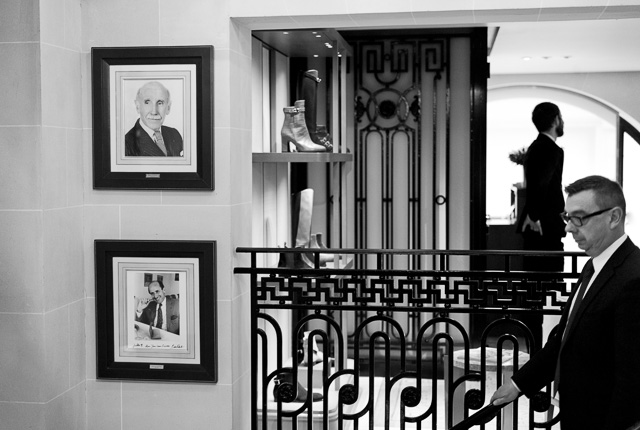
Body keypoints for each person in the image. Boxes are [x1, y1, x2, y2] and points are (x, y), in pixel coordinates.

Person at [491, 175, 640, 430]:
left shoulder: (633, 277)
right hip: (577, 412)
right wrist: (518, 384)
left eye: (579, 218)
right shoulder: (595, 265)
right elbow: (565, 339)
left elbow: (633, 377)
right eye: (567, 217)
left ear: (614, 217)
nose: (569, 228)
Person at [515, 102, 566, 349]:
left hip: (541, 226)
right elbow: (543, 185)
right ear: (556, 119)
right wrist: (534, 216)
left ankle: (538, 347)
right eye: (561, 117)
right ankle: (543, 349)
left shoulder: (537, 147)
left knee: (535, 294)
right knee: (542, 293)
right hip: (543, 229)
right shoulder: (549, 149)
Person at [125, 81, 184, 157]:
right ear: (137, 107)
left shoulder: (174, 134)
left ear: (168, 107)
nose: (154, 111)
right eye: (147, 102)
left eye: (160, 103)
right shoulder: (126, 144)